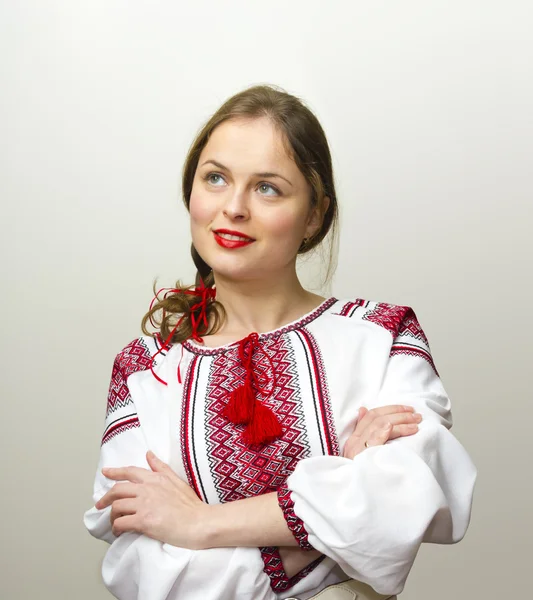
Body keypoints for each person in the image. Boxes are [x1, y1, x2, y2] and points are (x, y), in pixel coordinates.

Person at [83, 84, 477, 600]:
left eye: (267, 187)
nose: (234, 208)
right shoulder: (143, 370)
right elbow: (146, 576)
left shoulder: (382, 335)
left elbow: (403, 504)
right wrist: (334, 519)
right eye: (216, 178)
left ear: (314, 214)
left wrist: (200, 524)